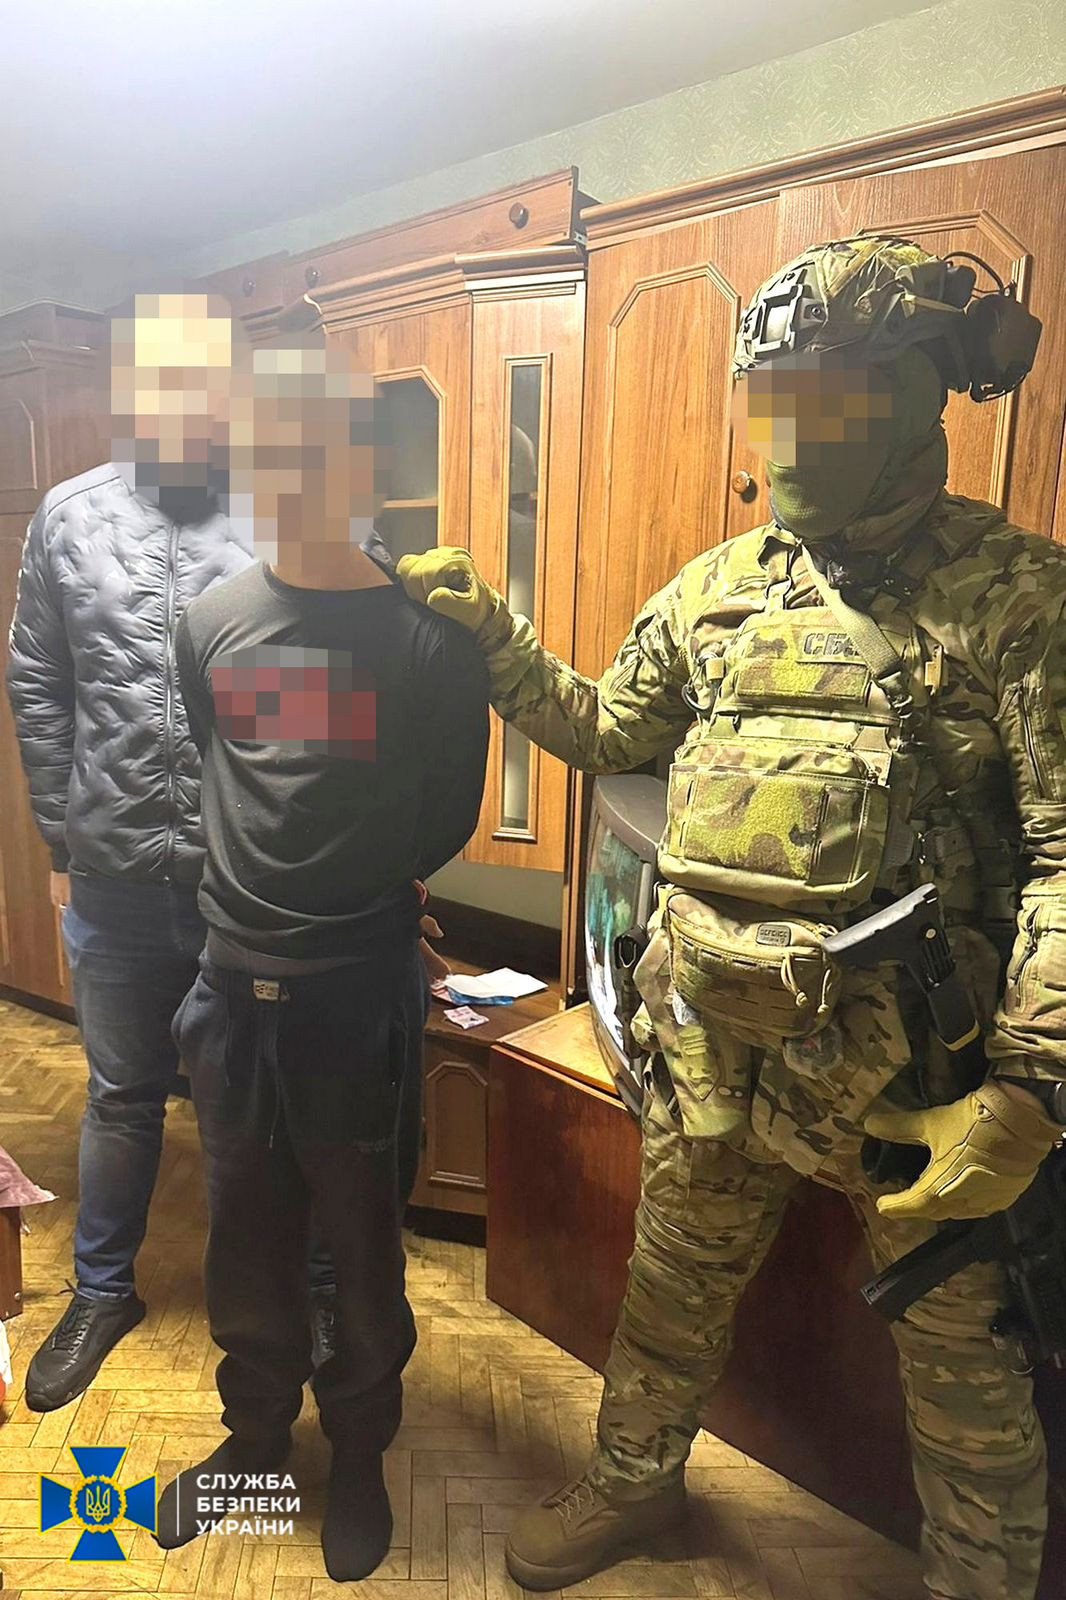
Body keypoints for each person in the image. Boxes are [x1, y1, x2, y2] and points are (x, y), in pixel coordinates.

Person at [398, 236, 1065, 1600]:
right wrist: (494, 640)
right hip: (711, 1046)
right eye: (774, 400)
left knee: (962, 1370)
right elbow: (607, 731)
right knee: (669, 1288)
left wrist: (1026, 1090)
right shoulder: (714, 589)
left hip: (915, 1086)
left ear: (916, 395)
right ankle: (633, 1482)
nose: (792, 436)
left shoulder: (1020, 598)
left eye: (830, 398)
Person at [154, 342, 488, 1581]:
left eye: (316, 453)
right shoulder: (209, 624)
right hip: (229, 994)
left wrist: (352, 895)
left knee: (357, 1246)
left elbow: (446, 814)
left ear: (360, 469)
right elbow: (224, 768)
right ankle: (254, 1439)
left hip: (357, 999)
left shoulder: (429, 640)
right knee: (244, 1236)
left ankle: (356, 1451)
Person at [6, 293, 254, 1410]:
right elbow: (39, 683)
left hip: (244, 878)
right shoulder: (67, 517)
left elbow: (343, 692)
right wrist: (62, 834)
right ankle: (102, 1290)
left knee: (252, 1103)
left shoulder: (286, 511)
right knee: (120, 1095)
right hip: (110, 874)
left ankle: (273, 1300)